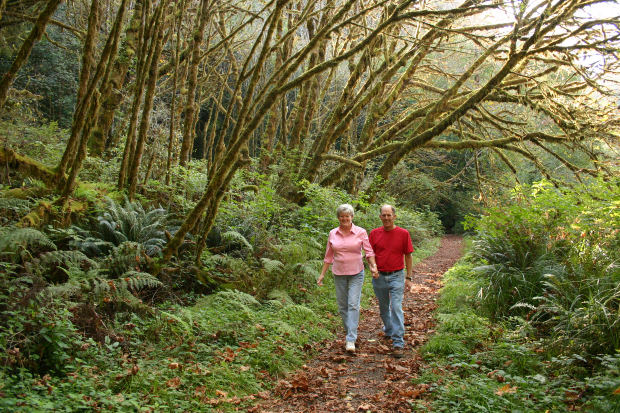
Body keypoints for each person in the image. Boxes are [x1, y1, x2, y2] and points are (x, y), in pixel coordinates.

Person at [318, 204, 377, 353]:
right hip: (339, 274)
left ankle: (350, 339)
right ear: (338, 218)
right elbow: (328, 256)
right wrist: (322, 274)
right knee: (343, 306)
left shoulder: (360, 232)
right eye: (342, 216)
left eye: (347, 216)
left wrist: (373, 266)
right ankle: (350, 330)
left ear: (352, 217)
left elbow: (369, 252)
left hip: (356, 273)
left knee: (353, 304)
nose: (345, 219)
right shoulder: (333, 233)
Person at [369, 204, 414, 358]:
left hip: (397, 275)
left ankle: (398, 342)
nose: (387, 218)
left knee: (396, 307)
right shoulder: (374, 234)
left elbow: (408, 255)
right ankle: (389, 329)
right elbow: (370, 254)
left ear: (394, 216)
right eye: (384, 215)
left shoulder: (403, 233)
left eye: (389, 215)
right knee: (383, 308)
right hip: (379, 276)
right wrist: (373, 267)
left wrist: (409, 277)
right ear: (380, 217)